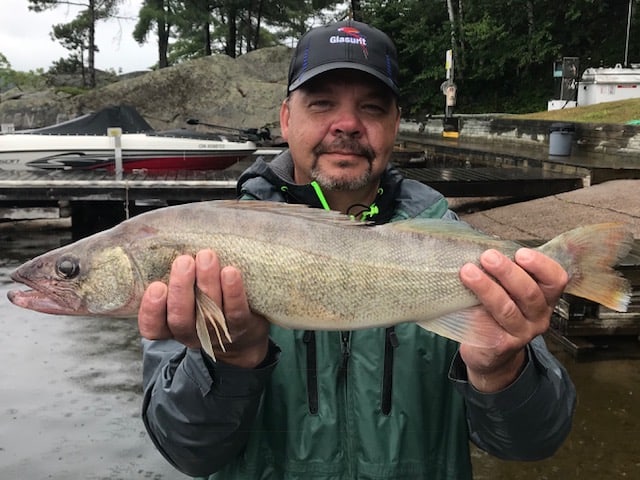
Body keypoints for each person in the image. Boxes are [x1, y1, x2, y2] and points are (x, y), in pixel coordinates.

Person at [138, 20, 576, 480]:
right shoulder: (198, 251)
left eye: (371, 107)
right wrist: (228, 362)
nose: (346, 124)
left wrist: (501, 370)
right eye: (322, 104)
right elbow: (186, 452)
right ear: (286, 118)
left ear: (395, 125)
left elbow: (533, 443)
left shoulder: (456, 248)